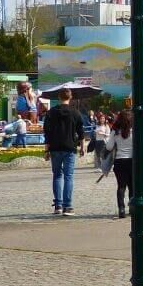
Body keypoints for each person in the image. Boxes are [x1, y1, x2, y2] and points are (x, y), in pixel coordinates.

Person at [43, 88, 84, 216]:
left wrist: (46, 150)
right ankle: (68, 206)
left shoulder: (51, 113)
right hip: (70, 147)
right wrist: (82, 147)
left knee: (57, 175)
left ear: (59, 98)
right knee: (68, 176)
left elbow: (47, 133)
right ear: (70, 97)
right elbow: (81, 132)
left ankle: (58, 206)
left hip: (55, 147)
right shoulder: (75, 113)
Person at [106, 110, 134, 218]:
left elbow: (109, 147)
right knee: (132, 186)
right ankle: (132, 207)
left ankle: (121, 209)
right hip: (131, 160)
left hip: (119, 160)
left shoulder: (115, 131)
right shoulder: (134, 130)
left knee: (121, 186)